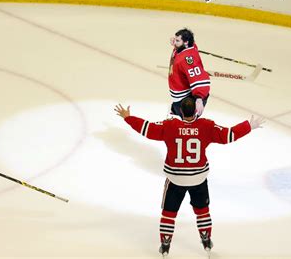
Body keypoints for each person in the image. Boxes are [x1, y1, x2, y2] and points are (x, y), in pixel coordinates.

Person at [114, 96, 265, 257]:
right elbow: (228, 135)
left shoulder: (170, 125)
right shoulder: (206, 125)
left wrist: (128, 117)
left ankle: (165, 243)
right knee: (202, 211)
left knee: (168, 213)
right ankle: (206, 238)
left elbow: (147, 129)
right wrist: (249, 125)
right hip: (198, 178)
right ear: (196, 111)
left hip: (175, 179)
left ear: (180, 111)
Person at [168, 28, 210, 119]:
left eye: (177, 40)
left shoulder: (187, 59)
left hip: (183, 101)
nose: (175, 42)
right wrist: (176, 43)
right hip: (179, 98)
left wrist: (199, 99)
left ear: (186, 42)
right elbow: (191, 45)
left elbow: (199, 78)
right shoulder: (188, 47)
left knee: (187, 125)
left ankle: (189, 114)